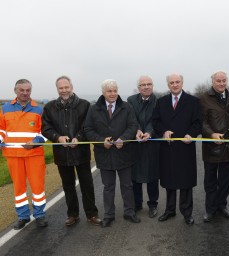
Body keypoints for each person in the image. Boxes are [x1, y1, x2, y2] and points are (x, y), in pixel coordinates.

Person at [41, 76, 102, 226]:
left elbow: (88, 125)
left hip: (81, 152)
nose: (64, 90)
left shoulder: (84, 105)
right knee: (68, 186)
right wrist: (57, 138)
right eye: (61, 88)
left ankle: (92, 214)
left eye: (66, 87)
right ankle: (72, 215)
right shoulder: (49, 107)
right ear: (57, 89)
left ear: (72, 87)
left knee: (87, 184)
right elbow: (45, 128)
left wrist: (79, 138)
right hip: (62, 154)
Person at [84, 79, 140, 227]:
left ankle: (129, 212)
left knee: (127, 185)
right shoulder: (94, 109)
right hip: (104, 154)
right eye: (109, 91)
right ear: (103, 92)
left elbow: (133, 125)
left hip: (124, 153)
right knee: (108, 187)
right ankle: (109, 215)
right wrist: (101, 141)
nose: (113, 93)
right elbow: (88, 130)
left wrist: (125, 139)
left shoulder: (127, 107)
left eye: (115, 90)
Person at [152, 73, 202, 225]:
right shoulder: (161, 102)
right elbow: (156, 121)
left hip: (185, 147)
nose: (175, 84)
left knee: (186, 182)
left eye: (177, 82)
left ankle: (187, 213)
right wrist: (163, 132)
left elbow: (198, 123)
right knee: (169, 181)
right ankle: (170, 210)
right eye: (172, 82)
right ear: (168, 85)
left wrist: (191, 134)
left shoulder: (193, 101)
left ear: (182, 82)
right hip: (168, 148)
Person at [0, 79, 48, 229]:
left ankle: (39, 215)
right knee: (19, 188)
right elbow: (1, 129)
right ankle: (23, 217)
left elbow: (45, 132)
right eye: (22, 90)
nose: (25, 93)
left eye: (28, 90)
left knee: (37, 186)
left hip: (34, 154)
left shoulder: (39, 109)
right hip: (13, 155)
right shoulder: (5, 108)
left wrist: (36, 140)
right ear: (15, 90)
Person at [199, 71, 229, 222]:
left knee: (226, 181)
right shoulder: (204, 99)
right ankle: (210, 209)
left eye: (224, 81)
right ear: (212, 82)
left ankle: (222, 205)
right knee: (210, 181)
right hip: (211, 148)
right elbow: (201, 122)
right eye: (218, 81)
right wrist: (211, 134)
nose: (221, 83)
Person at [127, 75, 159, 218]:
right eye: (143, 85)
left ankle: (153, 204)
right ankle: (137, 203)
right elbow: (131, 118)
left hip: (152, 144)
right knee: (135, 177)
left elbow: (156, 120)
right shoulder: (131, 100)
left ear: (152, 86)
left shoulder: (159, 101)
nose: (146, 87)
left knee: (152, 176)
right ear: (138, 87)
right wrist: (138, 130)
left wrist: (149, 132)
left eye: (149, 84)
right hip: (135, 144)